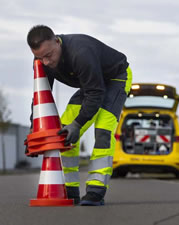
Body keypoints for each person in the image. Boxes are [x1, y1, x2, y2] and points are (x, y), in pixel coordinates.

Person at [26, 25, 132, 206]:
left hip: (115, 79)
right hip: (90, 85)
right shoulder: (42, 59)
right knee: (64, 131)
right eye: (40, 57)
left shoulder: (81, 53)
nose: (46, 62)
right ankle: (70, 189)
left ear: (57, 41)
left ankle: (96, 191)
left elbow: (96, 94)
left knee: (103, 130)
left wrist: (79, 123)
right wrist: (34, 129)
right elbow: (41, 94)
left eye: (49, 55)